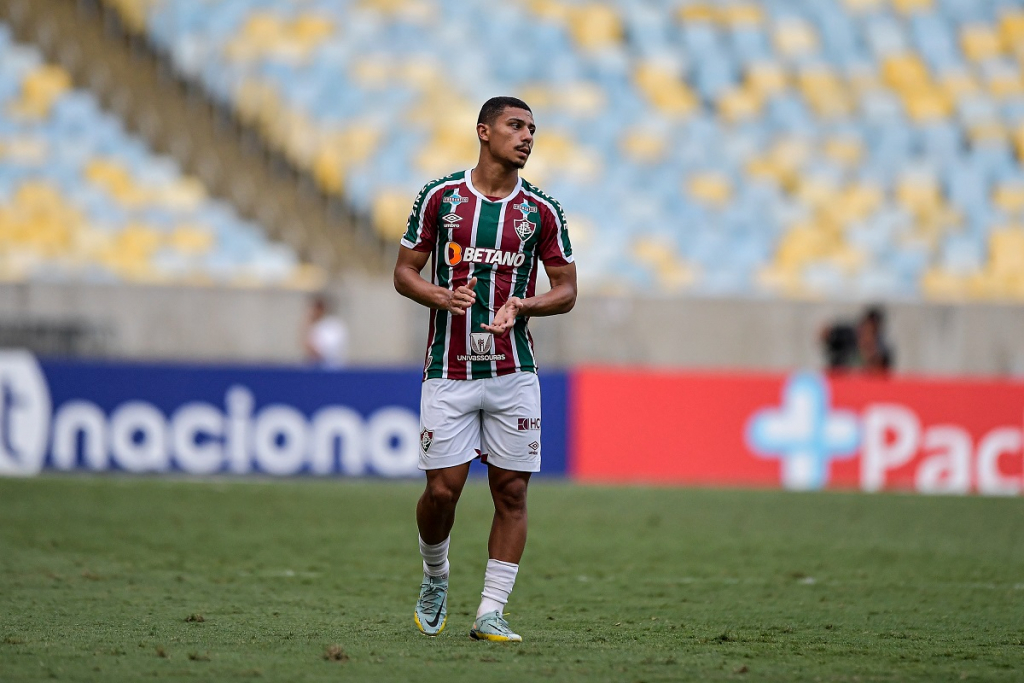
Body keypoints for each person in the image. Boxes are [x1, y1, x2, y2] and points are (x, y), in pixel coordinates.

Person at [393, 96, 577, 642]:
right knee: (444, 491)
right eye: (515, 126)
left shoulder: (541, 211)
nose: (526, 137)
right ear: (484, 131)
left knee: (512, 493)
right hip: (448, 369)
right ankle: (435, 572)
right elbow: (404, 272)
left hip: (514, 371)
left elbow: (566, 290)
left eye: (532, 129)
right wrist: (439, 296)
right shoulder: (441, 197)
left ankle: (491, 611)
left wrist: (524, 305)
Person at [820, 305, 893, 375]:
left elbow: (882, 373)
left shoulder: (881, 351)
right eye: (865, 329)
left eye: (872, 331)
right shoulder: (846, 338)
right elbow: (826, 336)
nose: (867, 334)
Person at [303, 295, 348, 367]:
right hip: (316, 367)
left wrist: (317, 352)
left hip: (332, 367)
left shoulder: (334, 325)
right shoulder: (314, 326)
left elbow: (333, 349)